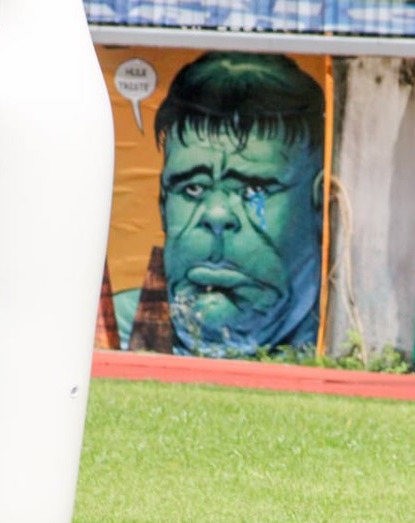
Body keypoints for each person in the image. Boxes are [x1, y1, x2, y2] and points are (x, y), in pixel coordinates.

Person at [118, 51, 326, 358]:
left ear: (320, 204)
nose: (216, 215)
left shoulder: (346, 332)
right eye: (192, 187)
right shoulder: (112, 325)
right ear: (163, 203)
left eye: (254, 188)